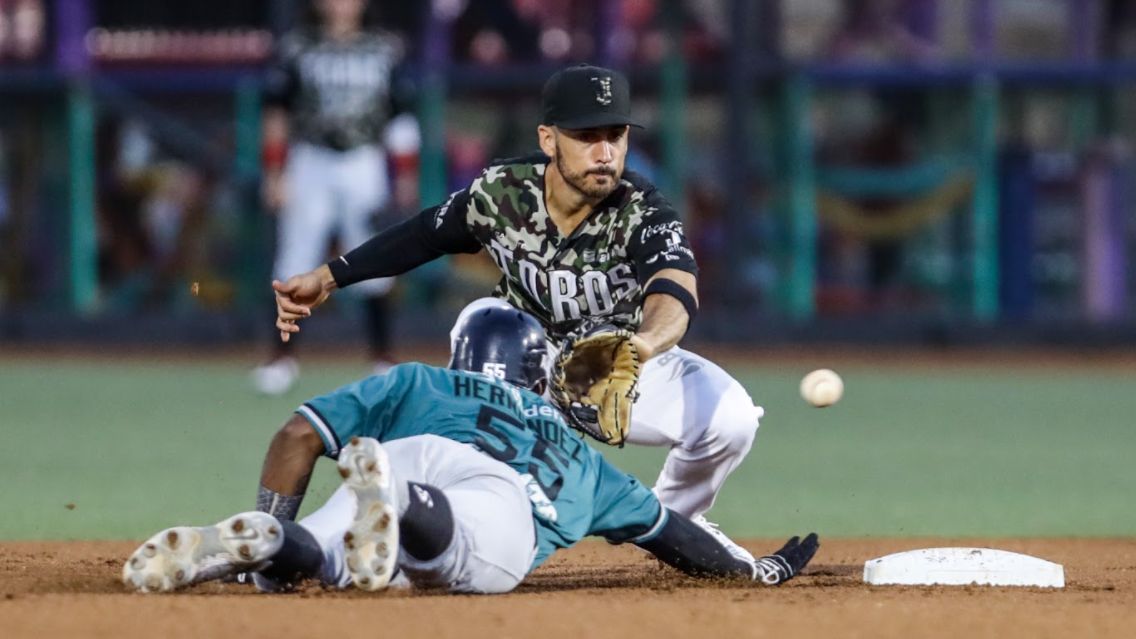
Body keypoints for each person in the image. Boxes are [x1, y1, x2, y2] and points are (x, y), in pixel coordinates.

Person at [272, 63, 765, 560]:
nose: (605, 152)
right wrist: (329, 276)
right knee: (482, 318)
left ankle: (678, 527)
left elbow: (676, 289)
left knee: (731, 417)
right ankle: (418, 508)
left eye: (615, 135)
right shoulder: (501, 192)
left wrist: (639, 346)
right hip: (525, 362)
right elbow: (424, 235)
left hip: (615, 363)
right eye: (586, 136)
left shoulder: (643, 211)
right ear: (549, 140)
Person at [123, 306, 818, 594]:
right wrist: (755, 568)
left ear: (460, 352)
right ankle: (402, 505)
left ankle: (279, 541)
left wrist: (274, 520)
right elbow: (676, 536)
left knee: (330, 563)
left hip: (407, 450)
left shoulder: (419, 381)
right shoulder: (572, 450)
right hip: (491, 495)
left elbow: (296, 435)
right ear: (537, 373)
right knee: (461, 549)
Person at [252, 0, 407, 395]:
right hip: (310, 160)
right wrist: (274, 171)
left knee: (375, 257)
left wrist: (404, 173)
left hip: (364, 160)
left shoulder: (383, 50)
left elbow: (400, 115)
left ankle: (382, 357)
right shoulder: (298, 48)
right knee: (296, 258)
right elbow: (277, 113)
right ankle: (281, 358)